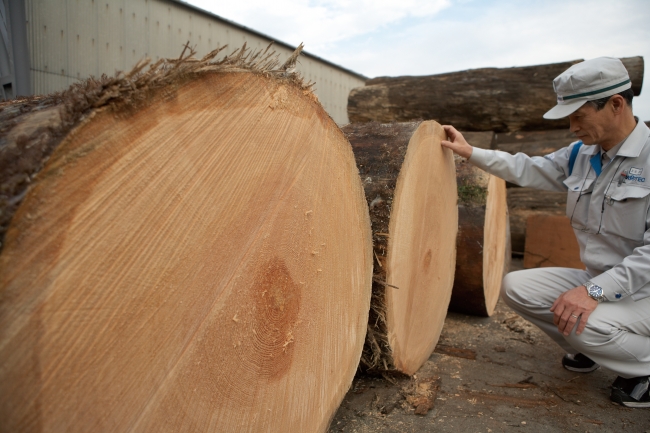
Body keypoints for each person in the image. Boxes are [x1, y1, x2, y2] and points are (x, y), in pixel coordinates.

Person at [441, 57, 650, 408]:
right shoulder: (583, 154)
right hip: (598, 279)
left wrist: (593, 292)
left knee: (585, 322)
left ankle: (641, 367)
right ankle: (594, 350)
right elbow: (527, 168)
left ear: (616, 104)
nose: (572, 127)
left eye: (578, 116)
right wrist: (470, 152)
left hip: (641, 292)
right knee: (516, 288)